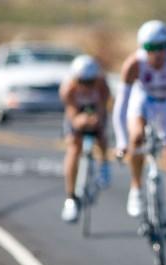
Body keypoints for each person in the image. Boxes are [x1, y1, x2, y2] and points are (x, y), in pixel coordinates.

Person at [112, 20, 166, 261]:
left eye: (161, 47)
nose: (157, 53)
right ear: (142, 47)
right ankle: (137, 187)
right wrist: (121, 141)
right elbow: (121, 107)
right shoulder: (133, 65)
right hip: (145, 101)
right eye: (151, 47)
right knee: (136, 137)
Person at [59, 54, 111, 223]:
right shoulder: (68, 89)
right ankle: (70, 198)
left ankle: (104, 165)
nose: (87, 86)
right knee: (74, 147)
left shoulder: (102, 86)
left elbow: (103, 109)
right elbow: (72, 114)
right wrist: (79, 121)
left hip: (94, 109)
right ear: (75, 79)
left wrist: (96, 120)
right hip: (77, 111)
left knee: (102, 134)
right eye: (82, 82)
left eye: (90, 82)